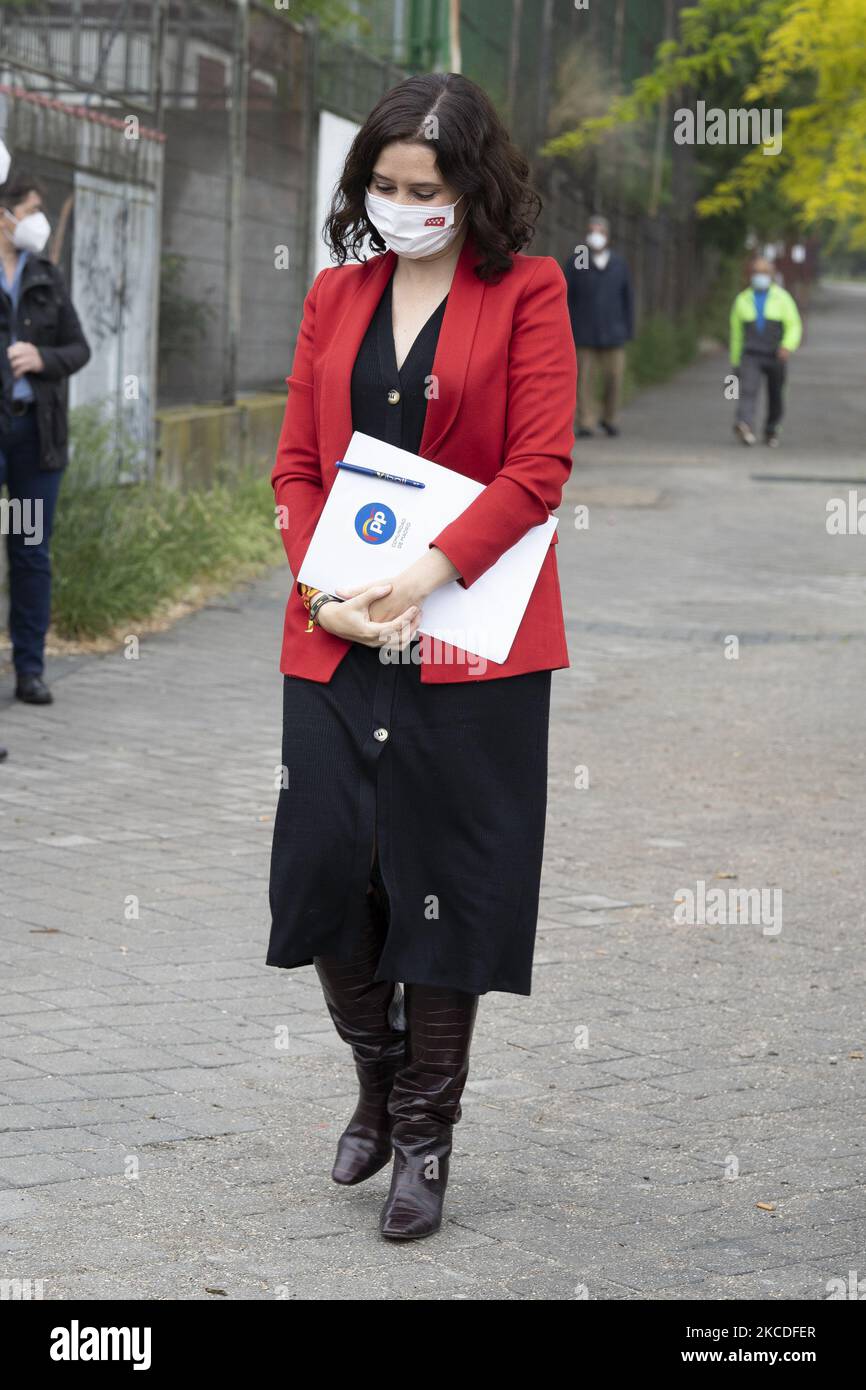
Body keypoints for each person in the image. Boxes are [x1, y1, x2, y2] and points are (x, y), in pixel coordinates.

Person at [266, 72, 576, 1242]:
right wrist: (326, 586)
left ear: (471, 190)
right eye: (385, 187)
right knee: (329, 864)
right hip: (337, 626)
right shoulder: (336, 294)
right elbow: (298, 462)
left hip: (471, 634)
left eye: (426, 190)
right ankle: (377, 1080)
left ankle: (425, 1140)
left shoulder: (528, 292)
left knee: (447, 879)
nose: (403, 206)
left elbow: (536, 466)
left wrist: (424, 574)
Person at [0, 172, 90, 704]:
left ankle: (29, 670)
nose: (39, 219)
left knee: (30, 550)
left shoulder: (46, 276)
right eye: (30, 208)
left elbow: (78, 348)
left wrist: (42, 359)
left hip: (35, 440)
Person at [562, 214, 633, 438]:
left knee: (614, 377)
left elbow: (627, 298)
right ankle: (586, 421)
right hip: (583, 332)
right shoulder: (577, 261)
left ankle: (609, 418)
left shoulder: (619, 264)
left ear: (608, 236)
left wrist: (628, 328)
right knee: (584, 380)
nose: (596, 235)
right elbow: (565, 295)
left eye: (600, 231)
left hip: (614, 332)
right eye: (592, 231)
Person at [730, 256, 802, 447]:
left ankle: (772, 430)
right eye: (756, 273)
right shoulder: (742, 300)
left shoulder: (783, 298)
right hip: (751, 354)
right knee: (746, 391)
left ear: (770, 276)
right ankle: (744, 424)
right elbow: (736, 334)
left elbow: (794, 325)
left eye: (763, 273)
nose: (759, 277)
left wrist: (787, 345)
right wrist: (735, 361)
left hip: (776, 354)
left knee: (776, 394)